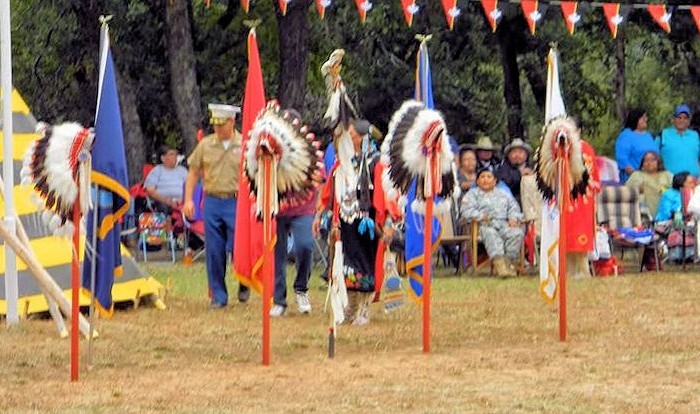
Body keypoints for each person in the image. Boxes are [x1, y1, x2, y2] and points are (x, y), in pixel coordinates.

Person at [313, 119, 395, 325]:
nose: (347, 138)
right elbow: (329, 193)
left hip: (368, 224)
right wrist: (319, 215)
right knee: (346, 264)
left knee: (365, 265)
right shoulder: (342, 163)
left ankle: (364, 308)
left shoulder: (377, 164)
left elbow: (388, 196)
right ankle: (350, 307)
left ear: (362, 138)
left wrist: (389, 222)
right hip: (344, 222)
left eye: (351, 134)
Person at [183, 103, 248, 309]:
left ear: (232, 122)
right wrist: (188, 200)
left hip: (236, 201)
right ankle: (219, 296)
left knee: (239, 246)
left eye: (221, 125)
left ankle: (244, 280)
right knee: (214, 250)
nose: (217, 129)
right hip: (212, 200)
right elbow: (193, 172)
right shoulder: (206, 145)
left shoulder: (245, 144)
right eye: (215, 125)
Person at [461, 166, 523, 277]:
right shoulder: (472, 194)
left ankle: (508, 263)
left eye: (489, 177)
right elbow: (466, 211)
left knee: (517, 233)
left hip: (503, 224)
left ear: (495, 181)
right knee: (491, 234)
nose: (485, 179)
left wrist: (513, 218)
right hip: (484, 226)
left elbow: (514, 207)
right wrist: (480, 215)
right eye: (482, 177)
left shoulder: (503, 194)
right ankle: (500, 265)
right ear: (477, 181)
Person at [615, 109, 658, 183]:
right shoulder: (626, 136)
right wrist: (637, 177)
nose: (646, 120)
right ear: (635, 119)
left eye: (646, 117)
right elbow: (623, 160)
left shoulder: (648, 136)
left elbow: (657, 155)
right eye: (643, 118)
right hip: (633, 181)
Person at [624, 151, 672, 218]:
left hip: (666, 213)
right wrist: (637, 190)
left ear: (659, 161)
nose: (649, 163)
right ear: (642, 164)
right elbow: (624, 192)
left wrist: (664, 190)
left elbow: (675, 192)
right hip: (642, 214)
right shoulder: (636, 175)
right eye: (646, 160)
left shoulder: (667, 175)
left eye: (652, 160)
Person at [657, 104, 700, 177]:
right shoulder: (663, 134)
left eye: (685, 118)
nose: (682, 120)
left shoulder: (696, 135)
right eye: (679, 117)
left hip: (694, 182)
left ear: (689, 121)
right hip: (669, 182)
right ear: (674, 119)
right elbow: (653, 157)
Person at [143, 145, 188, 213]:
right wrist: (166, 200)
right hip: (162, 201)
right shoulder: (157, 171)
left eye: (176, 154)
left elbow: (191, 187)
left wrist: (183, 198)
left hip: (181, 201)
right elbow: (150, 190)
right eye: (171, 154)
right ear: (163, 158)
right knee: (164, 207)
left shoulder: (183, 171)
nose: (175, 157)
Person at [495, 138, 533, 206]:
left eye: (520, 152)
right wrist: (519, 175)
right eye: (514, 152)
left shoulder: (532, 167)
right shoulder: (502, 168)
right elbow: (503, 185)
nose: (517, 155)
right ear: (509, 155)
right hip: (510, 205)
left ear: (526, 155)